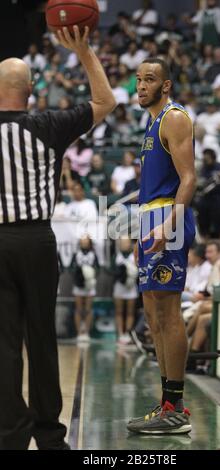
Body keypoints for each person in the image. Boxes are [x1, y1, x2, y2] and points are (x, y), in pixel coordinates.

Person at [0, 25, 116, 450]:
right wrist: (83, 51)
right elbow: (107, 101)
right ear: (31, 89)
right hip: (35, 240)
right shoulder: (47, 125)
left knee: (4, 345)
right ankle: (49, 436)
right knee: (42, 339)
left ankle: (9, 437)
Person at [127, 58, 196, 434]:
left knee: (168, 313)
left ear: (166, 85)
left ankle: (178, 408)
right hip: (150, 218)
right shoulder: (151, 122)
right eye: (138, 80)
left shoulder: (174, 117)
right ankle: (167, 402)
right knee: (153, 317)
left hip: (168, 217)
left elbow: (189, 178)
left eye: (149, 80)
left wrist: (169, 224)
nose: (141, 86)